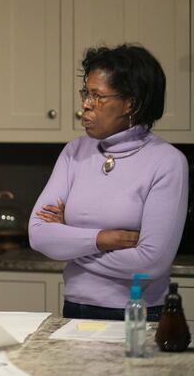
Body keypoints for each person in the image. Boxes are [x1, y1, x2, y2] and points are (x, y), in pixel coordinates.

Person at [29, 44, 189, 321]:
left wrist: (69, 241)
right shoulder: (74, 152)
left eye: (97, 96)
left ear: (132, 103)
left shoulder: (167, 162)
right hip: (75, 308)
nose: (85, 104)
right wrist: (103, 239)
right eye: (85, 93)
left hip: (139, 314)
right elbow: (39, 234)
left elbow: (150, 263)